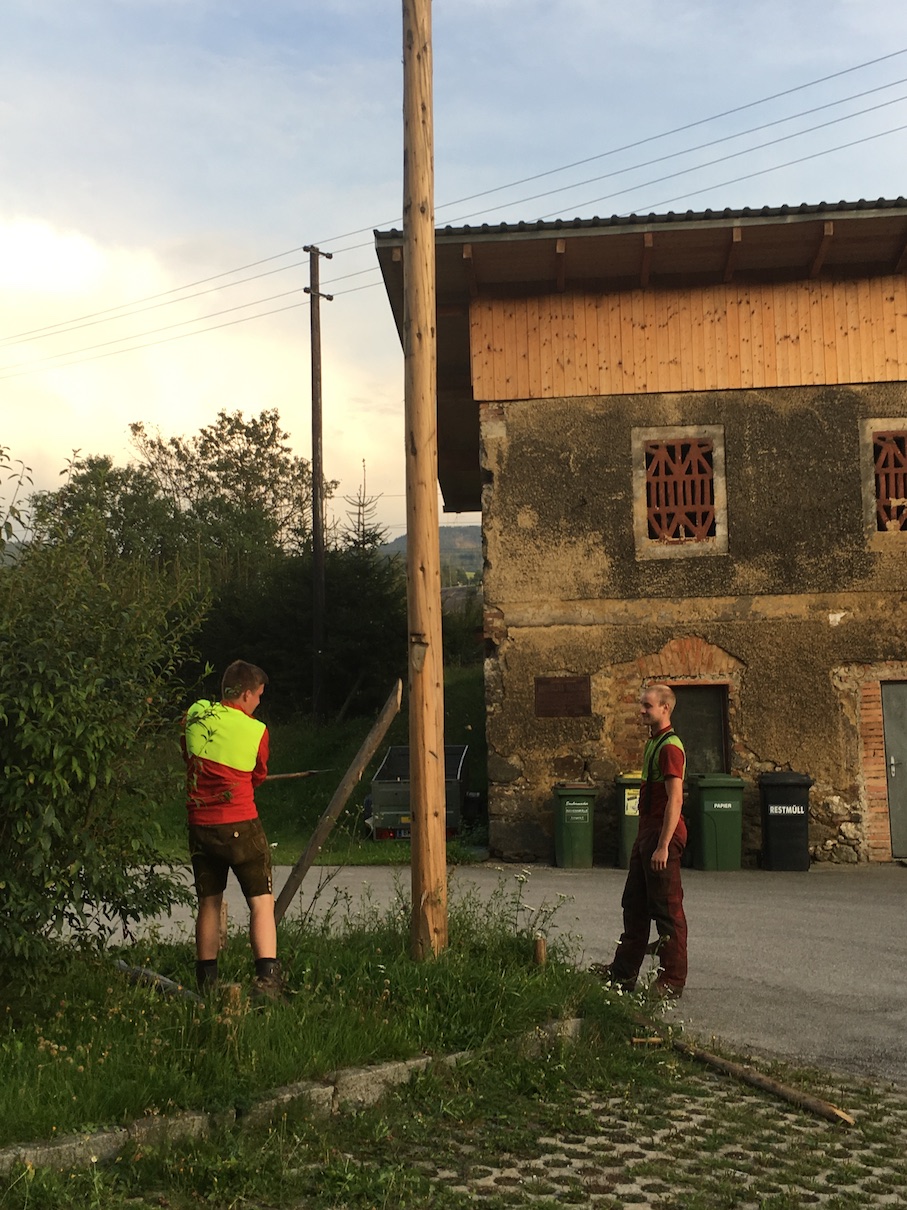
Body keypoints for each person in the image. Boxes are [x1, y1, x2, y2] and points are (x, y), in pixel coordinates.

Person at [181, 660, 282, 998]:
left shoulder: (195, 715)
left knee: (209, 903)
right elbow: (258, 775)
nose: (258, 703)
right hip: (239, 823)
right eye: (258, 696)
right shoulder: (256, 731)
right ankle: (267, 980)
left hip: (200, 825)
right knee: (262, 902)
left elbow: (187, 756)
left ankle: (207, 981)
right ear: (245, 694)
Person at [599, 683, 687, 999]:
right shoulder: (654, 743)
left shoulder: (670, 747)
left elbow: (675, 799)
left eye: (647, 705)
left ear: (665, 708)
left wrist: (663, 845)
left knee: (667, 910)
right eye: (642, 705)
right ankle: (622, 973)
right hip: (648, 834)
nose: (641, 710)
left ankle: (672, 980)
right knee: (634, 904)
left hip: (662, 835)